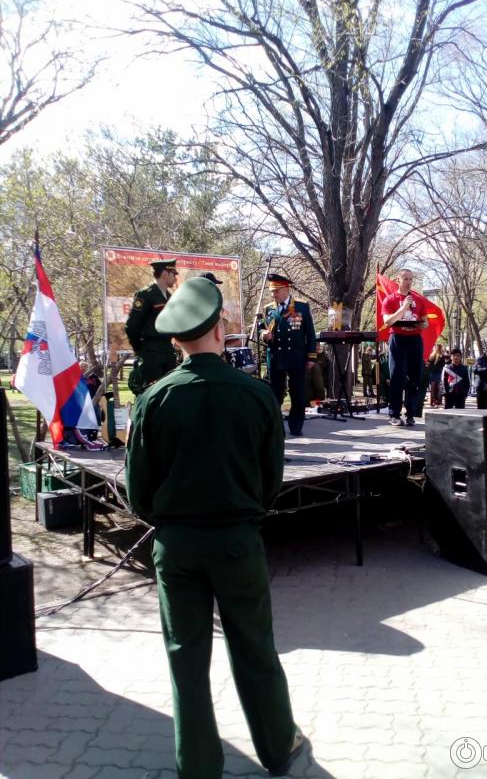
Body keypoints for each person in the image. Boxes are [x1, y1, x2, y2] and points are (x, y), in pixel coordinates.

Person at [126, 278, 304, 779]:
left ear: (176, 339)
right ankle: (276, 748)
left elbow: (139, 491)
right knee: (255, 649)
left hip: (177, 546)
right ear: (221, 327)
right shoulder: (257, 396)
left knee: (186, 661)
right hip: (237, 543)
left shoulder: (153, 400)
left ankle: (198, 766)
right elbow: (271, 483)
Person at [260, 273, 317, 436]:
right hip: (276, 358)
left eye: (276, 291)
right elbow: (261, 328)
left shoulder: (301, 307)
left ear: (286, 289)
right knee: (275, 393)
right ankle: (276, 428)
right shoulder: (268, 309)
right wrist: (264, 335)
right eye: (272, 291)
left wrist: (311, 357)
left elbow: (310, 334)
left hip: (296, 357)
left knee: (297, 393)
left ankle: (296, 425)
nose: (273, 294)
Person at [381, 268, 429, 426]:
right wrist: (403, 308)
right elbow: (388, 322)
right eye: (406, 279)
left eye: (410, 279)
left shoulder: (419, 300)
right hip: (397, 340)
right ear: (398, 280)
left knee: (415, 377)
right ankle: (394, 414)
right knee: (397, 376)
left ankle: (410, 413)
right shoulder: (390, 299)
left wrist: (421, 324)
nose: (409, 282)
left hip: (415, 340)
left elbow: (426, 321)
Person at [125, 258, 178, 394]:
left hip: (167, 348)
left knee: (169, 391)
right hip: (151, 350)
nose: (175, 278)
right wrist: (140, 349)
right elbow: (132, 326)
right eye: (174, 274)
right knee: (152, 391)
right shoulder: (145, 294)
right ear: (165, 274)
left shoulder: (169, 296)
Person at [427, 343, 445, 407]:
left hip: (432, 373)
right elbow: (443, 365)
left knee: (432, 388)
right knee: (438, 388)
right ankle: (438, 402)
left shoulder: (432, 355)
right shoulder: (442, 356)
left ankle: (432, 402)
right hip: (439, 373)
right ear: (441, 348)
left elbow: (428, 364)